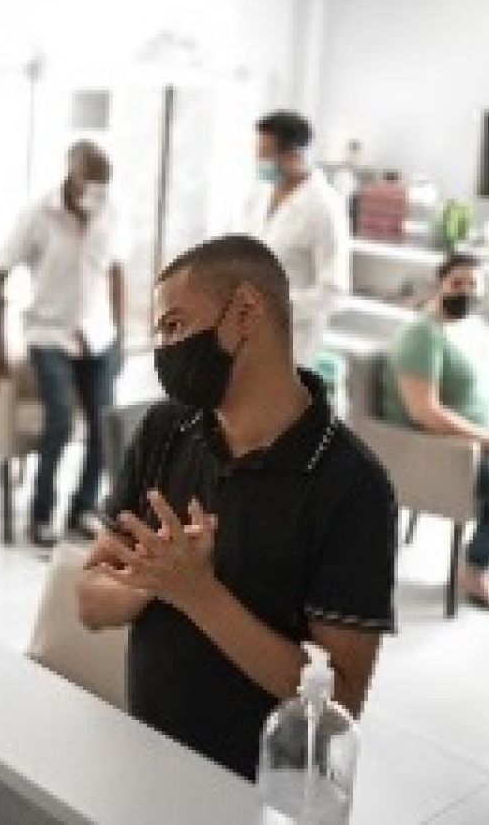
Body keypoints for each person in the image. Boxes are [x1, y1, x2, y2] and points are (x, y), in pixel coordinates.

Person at [76, 235, 397, 782]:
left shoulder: (353, 486)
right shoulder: (164, 429)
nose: (165, 351)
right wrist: (154, 581)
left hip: (259, 790)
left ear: (245, 312)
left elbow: (339, 702)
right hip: (144, 758)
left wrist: (198, 594)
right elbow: (88, 601)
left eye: (175, 325)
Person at [382, 252, 489, 610]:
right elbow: (425, 412)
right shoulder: (422, 336)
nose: (465, 291)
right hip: (448, 447)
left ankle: (484, 555)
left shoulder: (474, 329)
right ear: (439, 284)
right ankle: (476, 567)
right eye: (456, 283)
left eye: (473, 285)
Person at [0, 141, 127, 548]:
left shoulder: (110, 210)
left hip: (98, 337)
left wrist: (119, 333)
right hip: (49, 336)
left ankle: (82, 510)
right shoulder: (37, 214)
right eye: (91, 182)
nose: (97, 192)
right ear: (71, 171)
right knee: (61, 422)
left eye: (104, 184)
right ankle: (40, 517)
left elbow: (116, 271)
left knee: (105, 428)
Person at [237, 110, 350, 367]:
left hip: (291, 345)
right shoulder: (258, 197)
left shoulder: (325, 208)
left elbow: (333, 293)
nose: (259, 161)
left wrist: (272, 307)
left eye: (265, 154)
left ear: (293, 155)